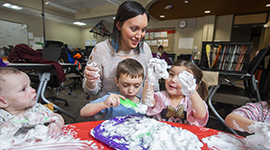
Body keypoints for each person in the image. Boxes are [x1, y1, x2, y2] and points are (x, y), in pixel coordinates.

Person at [83, 1, 159, 99]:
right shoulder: (101, 50)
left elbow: (153, 85)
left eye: (143, 30)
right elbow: (90, 92)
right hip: (110, 111)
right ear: (119, 25)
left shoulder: (145, 49)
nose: (139, 36)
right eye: (134, 29)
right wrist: (91, 81)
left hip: (137, 111)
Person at [0, 67, 64, 137]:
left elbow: (56, 116)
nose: (33, 90)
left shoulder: (36, 108)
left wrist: (57, 124)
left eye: (30, 85)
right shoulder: (2, 115)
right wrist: (13, 122)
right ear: (2, 101)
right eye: (23, 89)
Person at [142, 59, 209, 126]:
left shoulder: (191, 101)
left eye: (181, 78)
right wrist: (150, 80)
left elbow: (200, 115)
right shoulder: (161, 97)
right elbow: (148, 102)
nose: (173, 80)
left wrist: (192, 91)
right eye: (171, 74)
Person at [80, 58, 145, 120]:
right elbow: (83, 112)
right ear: (117, 82)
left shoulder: (144, 103)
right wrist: (103, 104)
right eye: (125, 85)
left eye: (136, 86)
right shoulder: (111, 99)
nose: (131, 91)